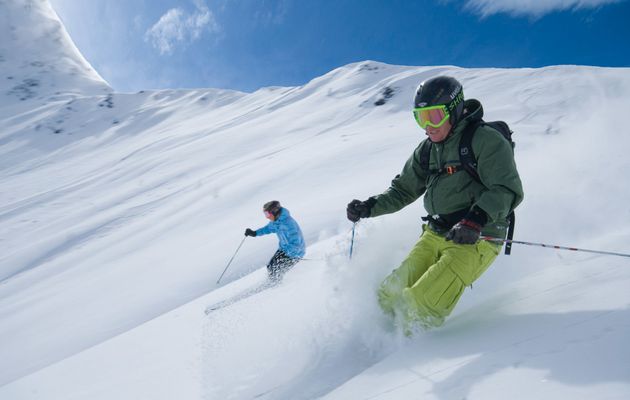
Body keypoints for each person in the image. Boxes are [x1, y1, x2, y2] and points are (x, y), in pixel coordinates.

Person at [346, 76, 524, 332]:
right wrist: (369, 207)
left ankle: (410, 359)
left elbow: (507, 189)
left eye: (434, 116)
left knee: (419, 302)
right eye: (421, 117)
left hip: (477, 237)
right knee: (388, 294)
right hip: (436, 232)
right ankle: (373, 354)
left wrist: (475, 220)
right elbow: (403, 190)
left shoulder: (485, 140)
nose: (427, 126)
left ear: (455, 109)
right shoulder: (427, 150)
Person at [245, 200, 305, 283]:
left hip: (294, 252)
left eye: (267, 214)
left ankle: (277, 287)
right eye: (265, 214)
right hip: (284, 249)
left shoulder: (288, 224)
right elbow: (268, 229)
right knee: (270, 266)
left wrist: (290, 254)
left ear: (275, 212)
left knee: (277, 269)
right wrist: (255, 233)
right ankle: (273, 283)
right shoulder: (276, 222)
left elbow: (296, 242)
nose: (267, 217)